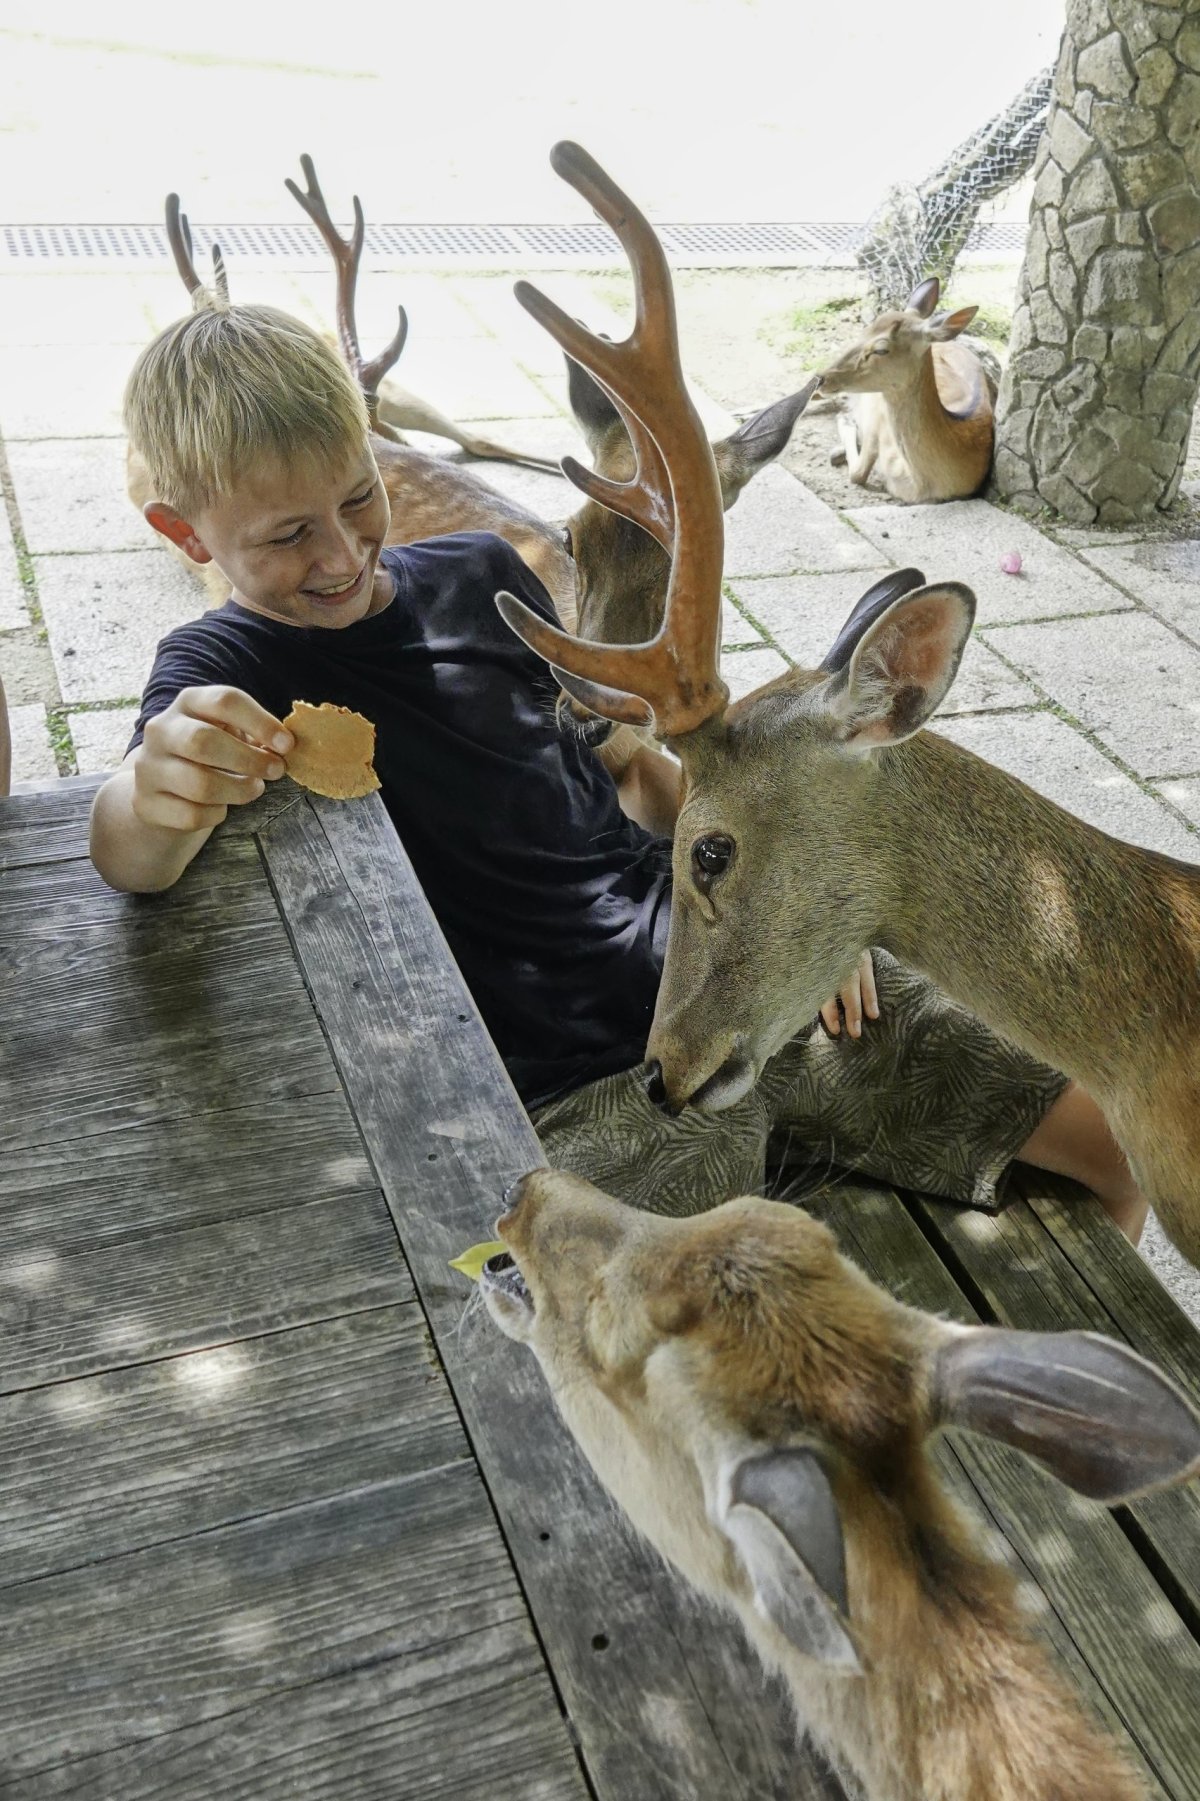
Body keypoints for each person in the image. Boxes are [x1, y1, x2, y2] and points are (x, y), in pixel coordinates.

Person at [90, 292, 1147, 1244]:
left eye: (360, 497)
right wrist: (160, 787)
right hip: (575, 1094)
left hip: (735, 978)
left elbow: (635, 775)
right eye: (287, 535)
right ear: (183, 532)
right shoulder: (221, 671)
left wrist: (790, 910)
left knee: (1114, 1136)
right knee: (716, 1334)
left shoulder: (482, 572)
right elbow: (127, 848)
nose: (340, 552)